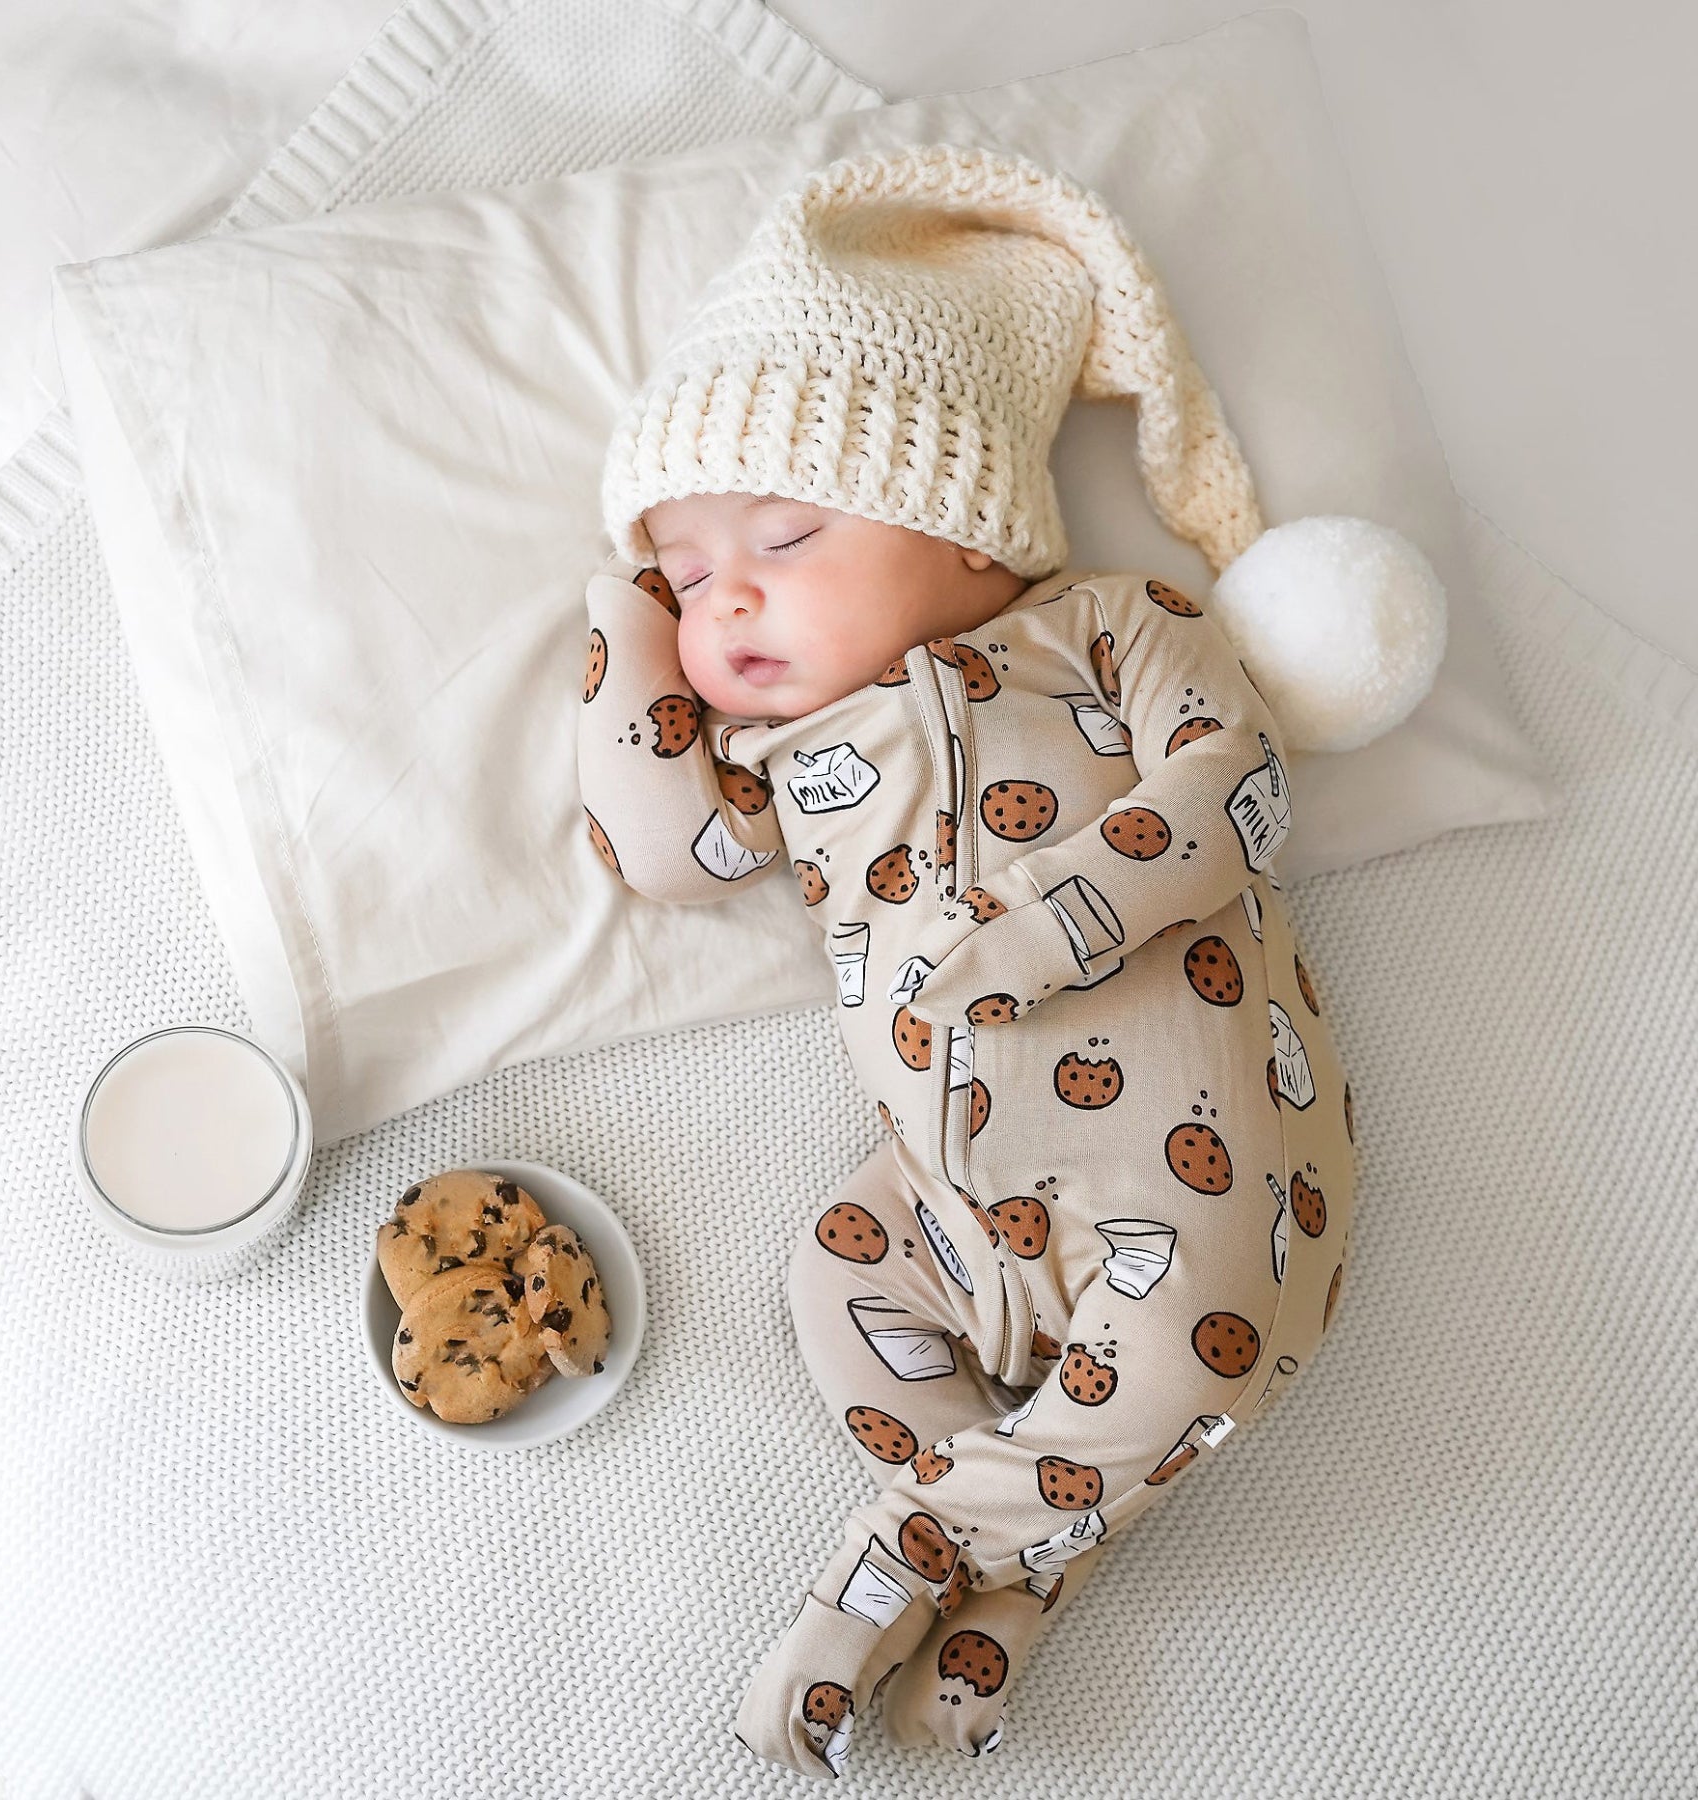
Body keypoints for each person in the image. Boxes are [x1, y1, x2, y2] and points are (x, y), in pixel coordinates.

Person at [577, 141, 1360, 1778]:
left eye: (784, 534)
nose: (729, 600)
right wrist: (623, 613)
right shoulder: (786, 762)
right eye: (695, 575)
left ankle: (896, 1562)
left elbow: (1235, 783)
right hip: (951, 1212)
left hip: (1204, 1182)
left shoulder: (1114, 626)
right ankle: (1019, 1576)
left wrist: (1053, 921)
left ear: (965, 531)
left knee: (1190, 1348)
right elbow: (661, 849)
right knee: (838, 1274)